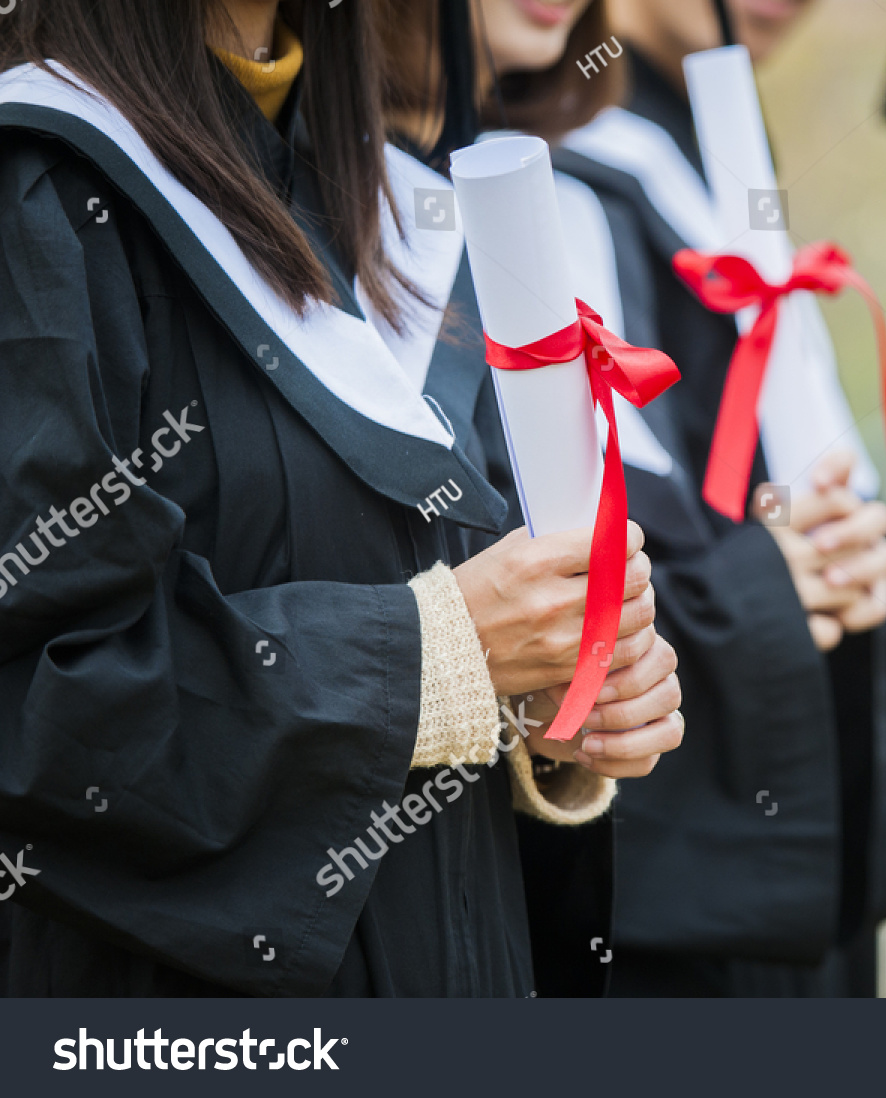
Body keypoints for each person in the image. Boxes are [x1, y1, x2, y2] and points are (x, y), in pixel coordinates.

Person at [0, 0, 680, 997]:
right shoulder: (41, 190)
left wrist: (539, 706)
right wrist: (436, 657)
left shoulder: (372, 201)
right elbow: (40, 705)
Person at [551, 0, 886, 995]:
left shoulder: (707, 146)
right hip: (661, 937)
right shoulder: (554, 171)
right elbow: (612, 603)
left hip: (767, 897)